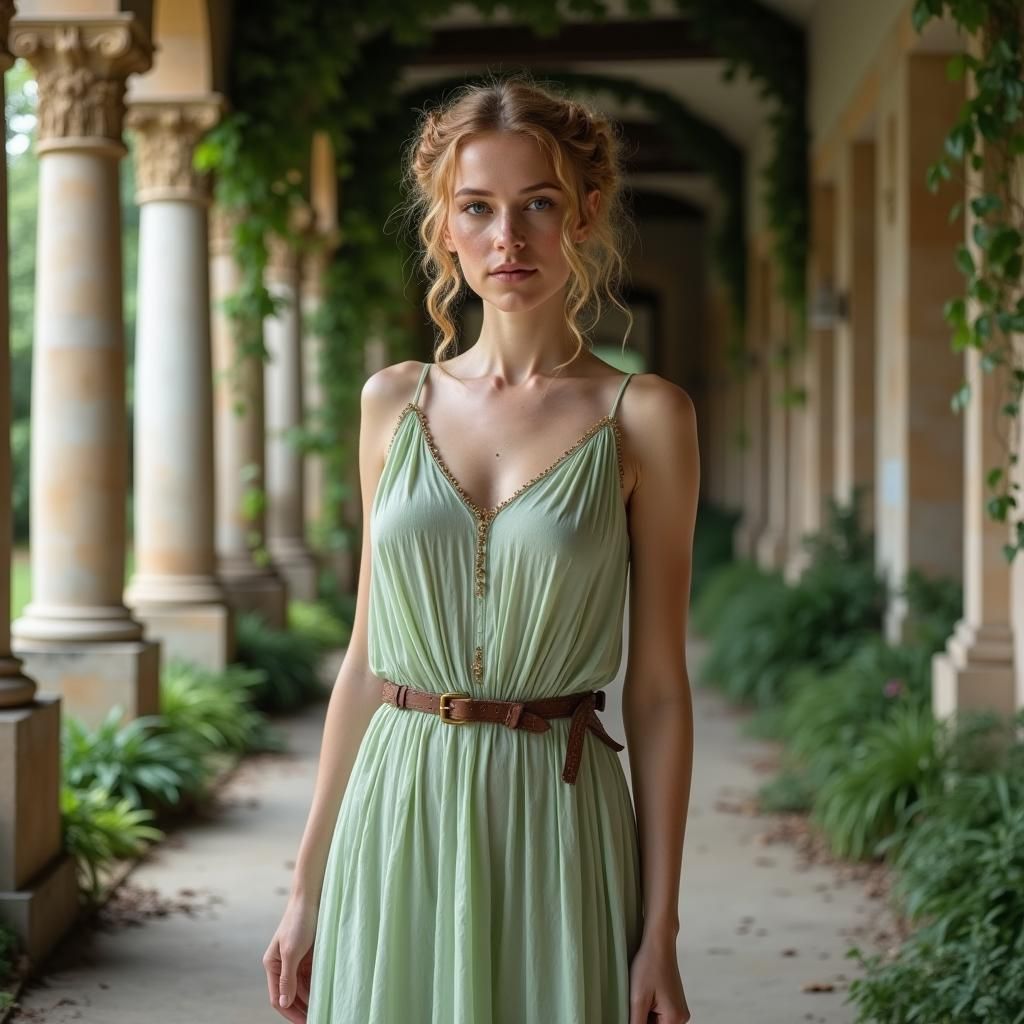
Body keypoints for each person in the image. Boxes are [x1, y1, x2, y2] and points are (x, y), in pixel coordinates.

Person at [262, 73, 698, 1024]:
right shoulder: (392, 403)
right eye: (479, 208)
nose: (510, 239)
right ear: (445, 226)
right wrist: (306, 886)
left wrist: (659, 925)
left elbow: (659, 689)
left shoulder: (647, 417)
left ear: (582, 215)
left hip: (558, 817)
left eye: (538, 204)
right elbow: (368, 659)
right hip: (399, 807)